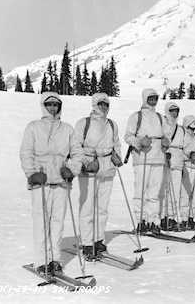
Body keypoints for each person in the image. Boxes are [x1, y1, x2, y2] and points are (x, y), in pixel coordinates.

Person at [20, 92, 83, 275]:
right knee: (41, 222)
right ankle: (41, 261)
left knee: (57, 223)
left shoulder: (67, 129)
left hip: (61, 182)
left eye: (56, 104)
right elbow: (26, 152)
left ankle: (55, 259)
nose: (53, 108)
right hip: (42, 182)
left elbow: (77, 153)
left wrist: (71, 169)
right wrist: (32, 174)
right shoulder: (33, 127)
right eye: (49, 104)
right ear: (43, 106)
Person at [74, 93, 122, 258]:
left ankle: (98, 239)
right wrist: (86, 163)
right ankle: (87, 242)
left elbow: (116, 144)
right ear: (94, 104)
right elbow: (75, 147)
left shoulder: (112, 125)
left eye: (106, 104)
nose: (103, 107)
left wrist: (117, 156)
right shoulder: (84, 123)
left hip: (107, 168)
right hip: (90, 169)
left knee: (102, 208)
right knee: (87, 206)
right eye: (100, 103)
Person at [124, 88, 170, 232]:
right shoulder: (136, 116)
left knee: (154, 192)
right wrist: (138, 142)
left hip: (158, 158)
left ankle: (154, 221)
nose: (153, 100)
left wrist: (165, 142)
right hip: (142, 157)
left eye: (155, 98)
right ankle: (140, 221)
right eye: (150, 98)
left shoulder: (160, 117)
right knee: (140, 191)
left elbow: (166, 135)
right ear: (144, 98)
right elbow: (128, 136)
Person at [159, 102, 185, 230]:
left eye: (177, 111)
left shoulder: (180, 129)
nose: (175, 113)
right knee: (164, 191)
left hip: (178, 162)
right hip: (166, 159)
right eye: (172, 110)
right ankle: (163, 217)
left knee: (176, 190)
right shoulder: (162, 124)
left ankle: (172, 217)